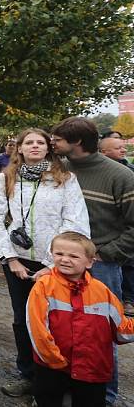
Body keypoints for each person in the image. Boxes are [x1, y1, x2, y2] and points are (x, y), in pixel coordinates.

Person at [0, 128, 90, 398]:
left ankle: (56, 381)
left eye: (40, 142)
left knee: (56, 322)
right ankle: (29, 376)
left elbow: (74, 221)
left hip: (56, 263)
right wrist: (9, 259)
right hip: (18, 261)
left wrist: (51, 263)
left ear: (48, 148)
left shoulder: (64, 179)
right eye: (28, 142)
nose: (34, 146)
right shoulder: (5, 178)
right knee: (23, 320)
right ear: (19, 148)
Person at [51, 117, 134, 405]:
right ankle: (71, 389)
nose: (53, 143)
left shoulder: (120, 176)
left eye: (58, 139)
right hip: (63, 265)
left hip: (102, 267)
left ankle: (105, 396)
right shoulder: (61, 170)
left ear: (76, 142)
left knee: (100, 335)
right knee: (65, 330)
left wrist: (104, 254)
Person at [26, 232, 134, 407]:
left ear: (90, 262)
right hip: (53, 369)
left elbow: (121, 330)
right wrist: (54, 360)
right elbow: (37, 329)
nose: (65, 259)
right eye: (59, 254)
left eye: (74, 256)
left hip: (91, 369)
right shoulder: (44, 286)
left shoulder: (102, 291)